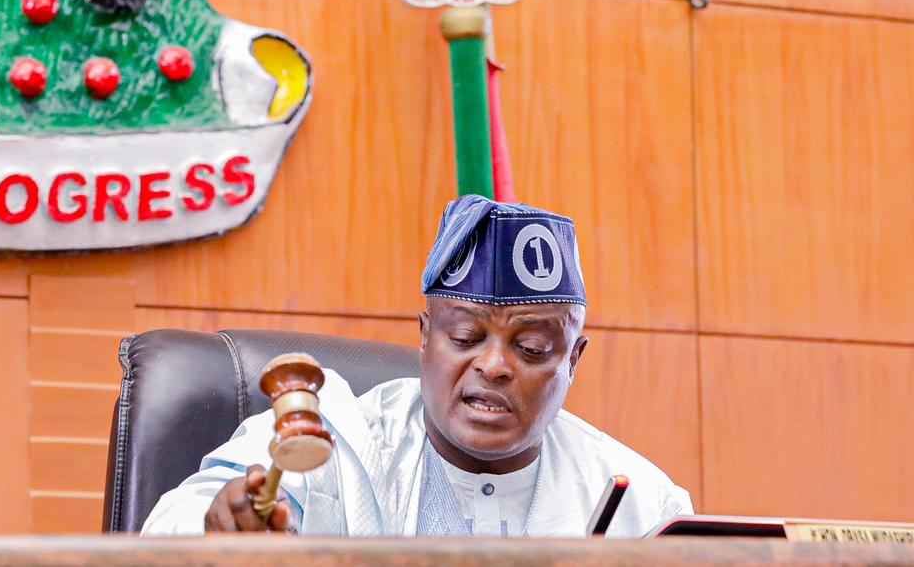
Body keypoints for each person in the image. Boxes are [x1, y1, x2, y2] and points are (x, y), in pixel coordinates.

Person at [141, 195, 693, 537]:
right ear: (426, 337)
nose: (494, 366)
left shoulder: (641, 501)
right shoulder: (328, 437)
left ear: (573, 359)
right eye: (465, 337)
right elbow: (167, 532)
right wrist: (217, 529)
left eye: (530, 348)